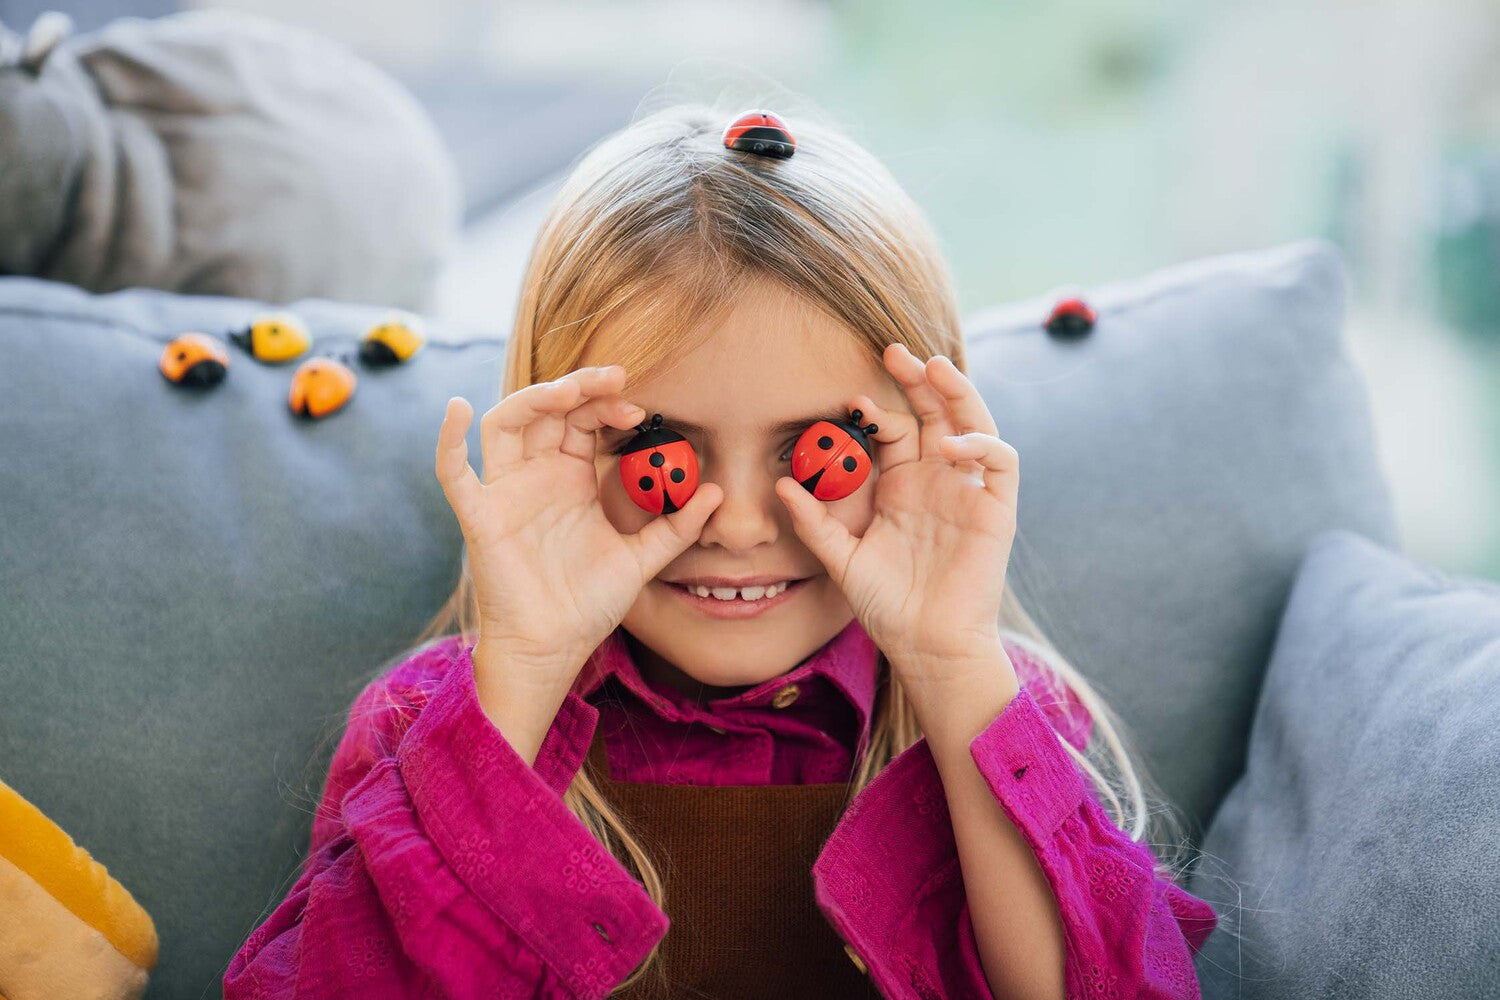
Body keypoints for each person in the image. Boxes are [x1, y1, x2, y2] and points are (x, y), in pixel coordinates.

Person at [224, 101, 1218, 999]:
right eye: (658, 448)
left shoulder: (990, 714)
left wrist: (954, 662)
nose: (739, 525)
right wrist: (518, 676)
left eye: (825, 452)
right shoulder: (440, 720)